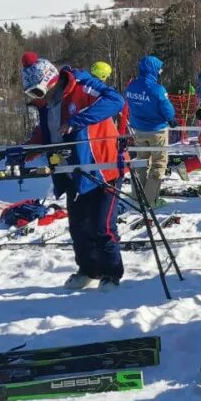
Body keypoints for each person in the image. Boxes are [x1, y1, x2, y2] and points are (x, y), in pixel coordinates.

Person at [21, 52, 126, 291]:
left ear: (49, 81)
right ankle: (88, 270)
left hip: (103, 167)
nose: (38, 98)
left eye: (38, 91)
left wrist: (79, 120)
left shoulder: (82, 83)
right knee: (79, 227)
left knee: (102, 226)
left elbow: (115, 100)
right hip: (72, 171)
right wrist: (26, 151)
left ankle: (112, 273)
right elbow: (46, 132)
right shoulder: (47, 104)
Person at [124, 55, 176, 206]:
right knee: (159, 163)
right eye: (159, 68)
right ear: (153, 69)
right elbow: (167, 109)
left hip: (139, 129)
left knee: (141, 161)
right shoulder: (157, 89)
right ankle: (150, 199)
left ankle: (136, 196)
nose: (160, 71)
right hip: (156, 130)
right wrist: (171, 119)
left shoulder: (131, 86)